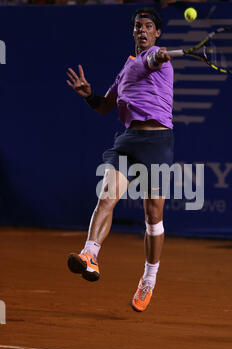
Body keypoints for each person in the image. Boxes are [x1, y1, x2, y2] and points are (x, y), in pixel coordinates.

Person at [66, 7, 173, 312]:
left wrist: (161, 55)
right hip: (128, 139)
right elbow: (105, 106)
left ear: (157, 33)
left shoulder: (157, 60)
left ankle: (149, 279)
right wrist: (88, 95)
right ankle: (90, 254)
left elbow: (155, 59)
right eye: (138, 26)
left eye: (148, 26)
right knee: (106, 197)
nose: (141, 30)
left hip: (157, 140)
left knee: (153, 217)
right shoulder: (126, 69)